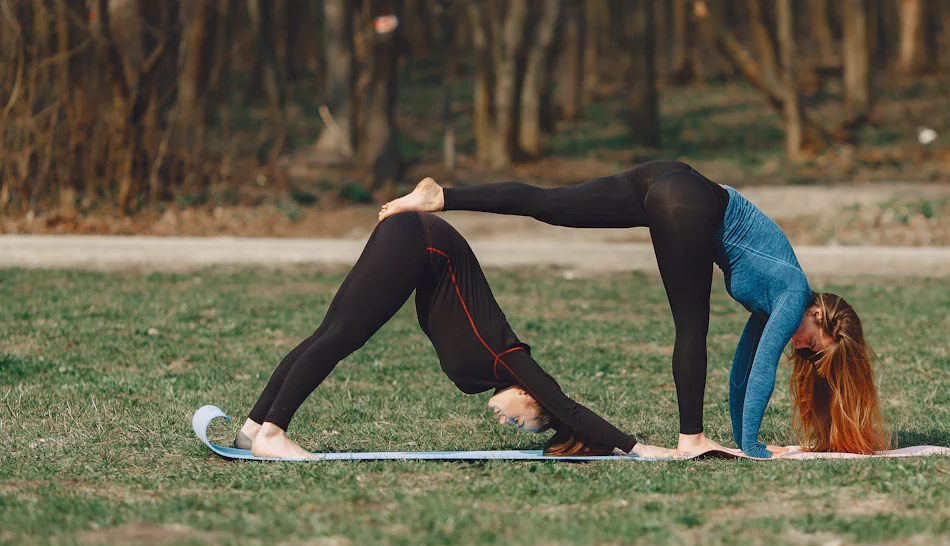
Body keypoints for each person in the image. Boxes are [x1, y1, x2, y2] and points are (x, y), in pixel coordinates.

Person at [378, 161, 888, 457]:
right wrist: (753, 449)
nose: (800, 347)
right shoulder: (796, 293)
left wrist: (745, 438)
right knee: (691, 327)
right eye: (812, 344)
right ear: (822, 317)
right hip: (688, 201)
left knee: (550, 204)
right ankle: (691, 438)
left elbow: (742, 375)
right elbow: (760, 375)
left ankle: (441, 195)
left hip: (665, 179)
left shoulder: (774, 300)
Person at [236, 211, 670, 460]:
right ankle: (272, 434)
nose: (508, 423)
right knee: (339, 336)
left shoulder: (484, 375)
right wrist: (636, 447)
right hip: (421, 241)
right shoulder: (510, 357)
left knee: (331, 334)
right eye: (521, 420)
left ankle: (253, 429)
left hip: (417, 244)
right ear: (530, 392)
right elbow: (568, 409)